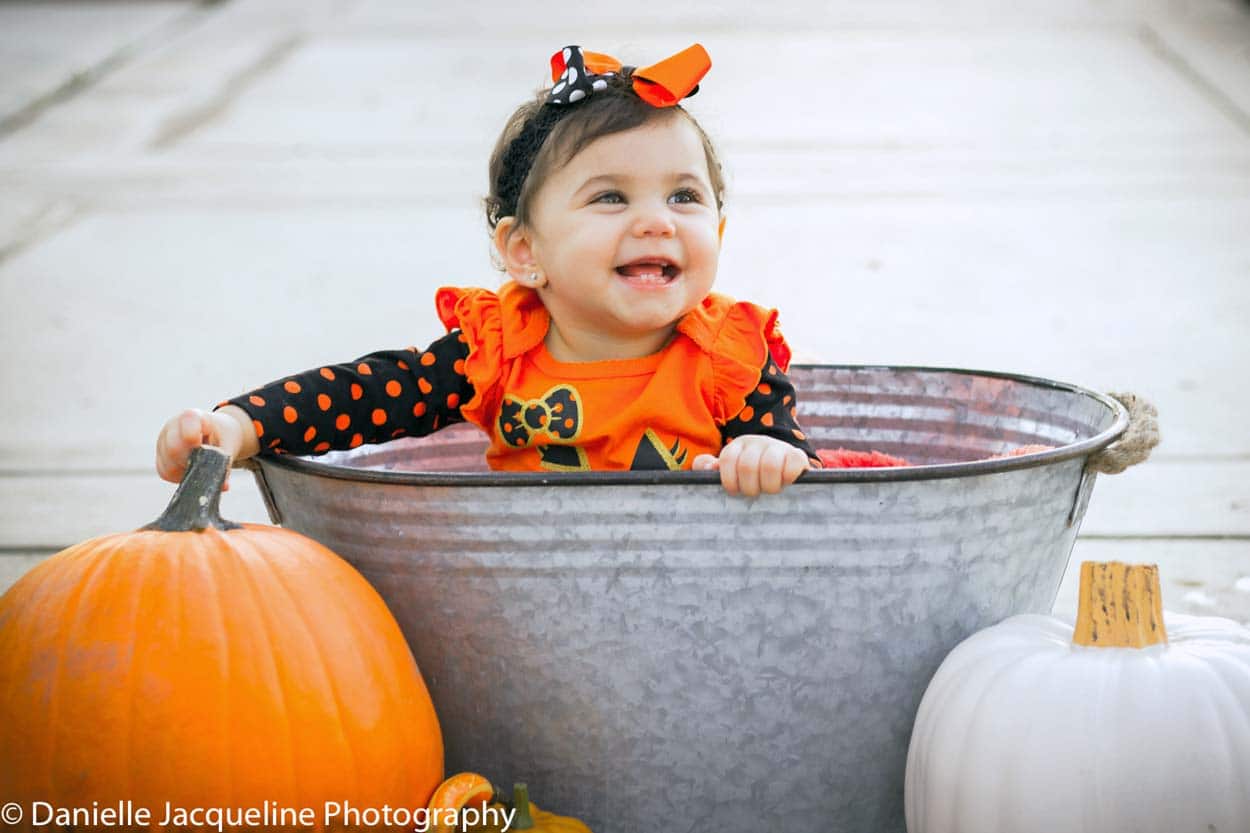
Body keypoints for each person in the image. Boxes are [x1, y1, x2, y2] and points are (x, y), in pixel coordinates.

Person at [156, 44, 819, 497]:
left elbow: (793, 456)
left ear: (719, 231)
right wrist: (240, 426)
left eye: (684, 196)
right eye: (610, 197)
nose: (658, 221)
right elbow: (365, 395)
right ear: (525, 252)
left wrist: (768, 454)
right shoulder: (501, 352)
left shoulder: (727, 357)